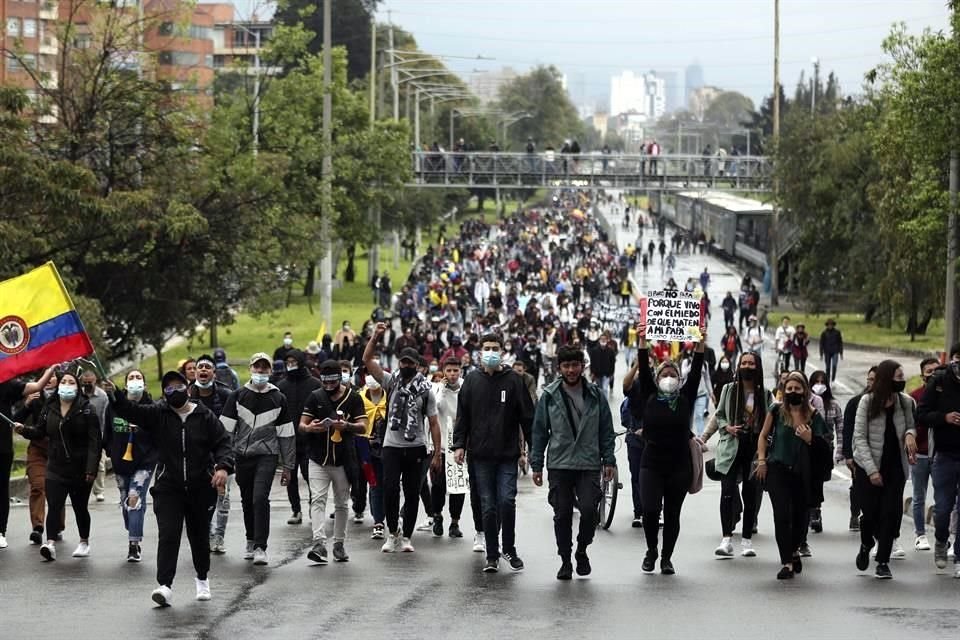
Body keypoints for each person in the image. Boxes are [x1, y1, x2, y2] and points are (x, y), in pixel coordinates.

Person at [106, 370, 232, 606]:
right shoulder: (158, 413)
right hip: (168, 487)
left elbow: (223, 442)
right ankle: (165, 585)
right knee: (169, 534)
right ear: (164, 393)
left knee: (199, 536)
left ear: (188, 388)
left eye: (179, 387)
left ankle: (202, 579)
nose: (175, 392)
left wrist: (223, 467)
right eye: (169, 389)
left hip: (200, 487)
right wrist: (116, 396)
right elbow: (131, 411)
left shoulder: (204, 416)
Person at [531, 344, 616, 580]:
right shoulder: (549, 395)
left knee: (589, 511)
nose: (571, 370)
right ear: (559, 367)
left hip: (589, 462)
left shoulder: (596, 394)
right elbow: (539, 433)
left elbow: (606, 429)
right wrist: (536, 464)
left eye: (575, 365)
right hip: (559, 463)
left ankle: (581, 549)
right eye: (566, 365)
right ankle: (565, 560)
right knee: (562, 515)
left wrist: (609, 459)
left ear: (582, 366)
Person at [628, 322, 706, 576]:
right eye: (664, 374)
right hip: (652, 463)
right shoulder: (650, 395)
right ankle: (651, 550)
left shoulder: (686, 398)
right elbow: (642, 359)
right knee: (651, 510)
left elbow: (695, 369)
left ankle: (666, 558)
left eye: (673, 374)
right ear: (657, 378)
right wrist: (642, 340)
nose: (669, 378)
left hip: (679, 465)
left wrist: (700, 341)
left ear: (680, 380)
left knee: (673, 514)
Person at [453, 332, 534, 573]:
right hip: (480, 456)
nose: (490, 352)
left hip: (507, 455)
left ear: (501, 351)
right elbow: (463, 416)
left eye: (495, 348)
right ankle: (492, 554)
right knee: (487, 505)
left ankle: (508, 547)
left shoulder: (513, 381)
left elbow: (527, 417)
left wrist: (534, 451)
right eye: (486, 348)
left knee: (507, 501)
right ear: (480, 352)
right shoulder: (472, 381)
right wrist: (459, 445)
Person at [363, 327, 443, 554]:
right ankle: (392, 533)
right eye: (403, 362)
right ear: (398, 363)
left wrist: (436, 453)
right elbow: (367, 359)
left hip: (416, 447)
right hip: (392, 446)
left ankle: (407, 536)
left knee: (411, 492)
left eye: (410, 363)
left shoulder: (426, 391)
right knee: (389, 489)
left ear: (418, 366)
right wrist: (376, 337)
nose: (406, 366)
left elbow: (434, 423)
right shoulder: (391, 382)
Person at [14, 369, 100, 561]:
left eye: (71, 383)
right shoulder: (50, 408)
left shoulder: (86, 409)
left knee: (80, 507)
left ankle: (84, 541)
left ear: (77, 388)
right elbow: (39, 431)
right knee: (54, 505)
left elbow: (95, 442)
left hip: (80, 468)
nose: (67, 386)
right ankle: (50, 543)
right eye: (64, 382)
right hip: (55, 467)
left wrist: (91, 469)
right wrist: (24, 430)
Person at [219, 353, 295, 566]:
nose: (261, 372)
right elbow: (224, 431)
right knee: (246, 500)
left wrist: (288, 466)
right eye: (257, 368)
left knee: (260, 497)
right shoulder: (237, 396)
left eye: (265, 369)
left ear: (270, 371)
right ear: (251, 369)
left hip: (267, 455)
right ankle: (250, 540)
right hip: (242, 455)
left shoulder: (278, 398)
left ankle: (261, 546)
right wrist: (221, 461)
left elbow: (287, 434)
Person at [755, 372, 830, 580]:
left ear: (805, 391)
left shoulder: (814, 415)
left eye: (797, 389)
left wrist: (809, 438)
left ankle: (795, 548)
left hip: (803, 473)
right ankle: (786, 562)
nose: (793, 392)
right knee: (781, 515)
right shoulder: (776, 410)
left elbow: (825, 447)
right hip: (777, 469)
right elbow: (763, 435)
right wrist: (762, 460)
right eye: (789, 389)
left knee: (799, 517)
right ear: (784, 390)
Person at [852, 359, 917, 580]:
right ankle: (866, 542)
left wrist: (910, 435)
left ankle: (882, 561)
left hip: (895, 467)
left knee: (890, 514)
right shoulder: (867, 402)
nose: (902, 381)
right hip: (868, 467)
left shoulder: (905, 402)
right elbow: (859, 438)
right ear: (887, 378)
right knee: (869, 514)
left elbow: (911, 425)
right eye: (898, 377)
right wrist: (871, 470)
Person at [300, 360, 367, 564]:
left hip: (343, 459)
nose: (328, 385)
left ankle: (339, 543)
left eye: (333, 381)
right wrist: (310, 428)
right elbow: (302, 424)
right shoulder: (316, 396)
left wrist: (346, 425)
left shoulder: (353, 398)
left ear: (340, 378)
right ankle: (319, 543)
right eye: (325, 381)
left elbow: (363, 426)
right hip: (318, 457)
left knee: (341, 503)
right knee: (317, 499)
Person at [712, 352, 768, 559]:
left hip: (753, 448)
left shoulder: (764, 394)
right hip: (731, 447)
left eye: (751, 363)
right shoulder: (729, 389)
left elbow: (769, 421)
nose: (747, 366)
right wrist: (727, 427)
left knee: (751, 494)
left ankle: (746, 540)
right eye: (743, 363)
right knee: (727, 491)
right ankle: (726, 539)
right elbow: (719, 415)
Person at [103, 369, 158, 562]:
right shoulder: (114, 406)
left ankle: (133, 544)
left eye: (139, 378)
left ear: (144, 383)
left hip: (144, 462)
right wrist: (111, 451)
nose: (135, 381)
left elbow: (158, 435)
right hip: (121, 462)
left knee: (135, 497)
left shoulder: (152, 407)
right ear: (125, 385)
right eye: (131, 378)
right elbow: (107, 432)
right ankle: (132, 527)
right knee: (127, 501)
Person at [1, 365, 55, 549]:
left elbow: (38, 385)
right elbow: (19, 417)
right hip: (33, 448)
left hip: (4, 448)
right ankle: (37, 527)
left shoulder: (5, 384)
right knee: (38, 487)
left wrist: (52, 368)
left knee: (2, 489)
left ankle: (1, 531)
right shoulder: (30, 398)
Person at [918, 343, 960, 575]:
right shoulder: (939, 382)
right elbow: (922, 414)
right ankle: (941, 541)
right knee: (943, 509)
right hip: (944, 454)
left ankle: (959, 557)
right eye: (957, 359)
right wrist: (945, 418)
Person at [189, 355, 234, 554]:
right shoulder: (187, 395)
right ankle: (204, 536)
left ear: (214, 373)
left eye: (208, 367)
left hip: (222, 454)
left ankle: (219, 537)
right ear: (195, 372)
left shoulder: (226, 395)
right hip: (197, 455)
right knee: (200, 499)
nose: (204, 370)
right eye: (200, 367)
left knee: (222, 497)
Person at [276, 349, 322, 527]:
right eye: (288, 361)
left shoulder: (314, 384)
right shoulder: (281, 386)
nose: (291, 364)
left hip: (310, 439)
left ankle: (313, 507)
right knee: (291, 476)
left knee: (311, 476)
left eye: (294, 361)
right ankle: (295, 509)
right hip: (288, 439)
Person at [909, 357, 940, 551]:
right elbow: (908, 426)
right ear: (922, 376)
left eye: (936, 371)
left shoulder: (948, 395)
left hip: (941, 454)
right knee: (919, 496)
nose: (933, 375)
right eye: (929, 372)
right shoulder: (913, 397)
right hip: (919, 453)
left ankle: (942, 537)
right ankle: (920, 535)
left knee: (944, 498)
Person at [843, 367, 877, 531]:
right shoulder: (856, 402)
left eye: (875, 380)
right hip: (859, 454)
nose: (872, 383)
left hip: (879, 453)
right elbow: (847, 429)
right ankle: (855, 513)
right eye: (869, 379)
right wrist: (848, 455)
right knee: (858, 486)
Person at [808, 370, 841, 534]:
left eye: (822, 382)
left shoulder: (833, 405)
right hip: (807, 445)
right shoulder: (806, 402)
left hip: (825, 447)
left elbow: (840, 429)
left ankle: (816, 510)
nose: (819, 385)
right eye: (816, 381)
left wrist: (840, 451)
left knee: (819, 480)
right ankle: (811, 512)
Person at [359, 371, 388, 539]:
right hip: (366, 448)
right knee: (374, 484)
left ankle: (389, 517)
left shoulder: (390, 397)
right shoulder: (359, 399)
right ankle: (378, 521)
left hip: (389, 448)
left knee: (389, 485)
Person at [80, 368, 110, 503]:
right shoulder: (77, 394)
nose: (87, 384)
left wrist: (103, 438)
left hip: (97, 435)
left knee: (99, 464)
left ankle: (99, 491)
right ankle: (81, 489)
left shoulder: (103, 396)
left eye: (89, 382)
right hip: (80, 434)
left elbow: (104, 418)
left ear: (95, 381)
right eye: (84, 382)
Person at [587, 334, 616, 401]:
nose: (603, 340)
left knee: (605, 389)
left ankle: (604, 403)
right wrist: (592, 373)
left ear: (607, 340)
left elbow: (612, 363)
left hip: (607, 374)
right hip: (597, 374)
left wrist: (612, 373)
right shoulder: (594, 351)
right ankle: (600, 401)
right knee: (599, 389)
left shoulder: (610, 351)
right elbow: (592, 362)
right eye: (601, 339)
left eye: (604, 339)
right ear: (599, 340)